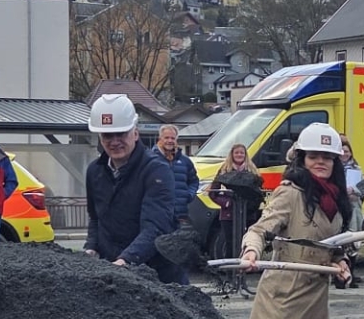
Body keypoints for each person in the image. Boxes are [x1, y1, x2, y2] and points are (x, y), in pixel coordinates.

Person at [241, 122, 352, 319]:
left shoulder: (337, 200)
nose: (320, 162)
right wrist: (251, 251)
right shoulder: (289, 193)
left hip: (316, 306)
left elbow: (330, 244)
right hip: (283, 302)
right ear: (302, 159)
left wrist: (340, 261)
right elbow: (259, 229)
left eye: (327, 157)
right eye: (313, 156)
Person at [84, 94, 183, 282]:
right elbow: (96, 219)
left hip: (156, 275)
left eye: (121, 133)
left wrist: (125, 261)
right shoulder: (94, 172)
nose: (114, 141)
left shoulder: (156, 171)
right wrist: (90, 249)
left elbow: (155, 228)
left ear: (135, 133)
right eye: (107, 135)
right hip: (113, 273)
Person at [207, 143, 264, 263]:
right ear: (232, 154)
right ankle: (230, 272)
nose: (239, 155)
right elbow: (212, 192)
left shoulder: (252, 171)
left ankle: (245, 269)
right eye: (236, 152)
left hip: (248, 213)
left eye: (241, 153)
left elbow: (258, 192)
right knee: (230, 243)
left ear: (245, 155)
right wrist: (226, 203)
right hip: (229, 214)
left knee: (247, 242)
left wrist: (252, 205)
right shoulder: (224, 170)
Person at [153, 124, 200, 209]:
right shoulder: (150, 160)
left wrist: (188, 195)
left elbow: (194, 181)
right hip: (156, 213)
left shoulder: (185, 161)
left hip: (180, 212)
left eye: (173, 138)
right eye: (166, 138)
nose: (170, 140)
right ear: (160, 138)